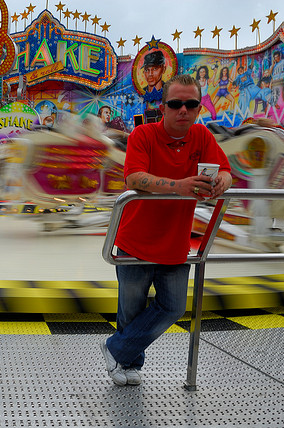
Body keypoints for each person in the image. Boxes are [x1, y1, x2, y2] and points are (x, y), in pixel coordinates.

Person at [100, 74, 232, 386]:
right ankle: (130, 363)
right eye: (175, 104)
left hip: (175, 242)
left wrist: (220, 184)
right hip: (136, 240)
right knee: (130, 309)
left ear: (199, 108)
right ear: (163, 107)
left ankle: (115, 348)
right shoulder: (143, 135)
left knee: (173, 307)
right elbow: (134, 178)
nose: (183, 110)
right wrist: (181, 186)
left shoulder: (202, 138)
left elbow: (226, 171)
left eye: (190, 104)